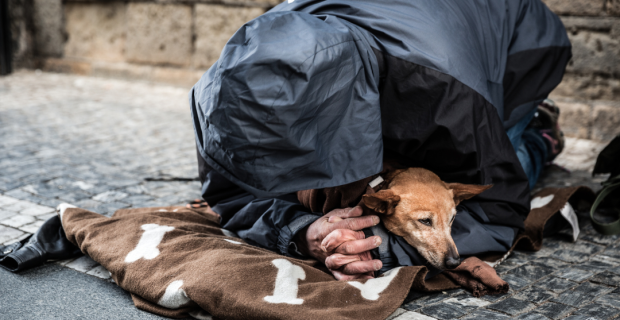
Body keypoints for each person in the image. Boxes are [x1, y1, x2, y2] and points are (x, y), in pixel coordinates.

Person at [189, 0, 571, 280]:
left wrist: (379, 246)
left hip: (518, 41)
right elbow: (230, 195)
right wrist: (302, 233)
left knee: (501, 154)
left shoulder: (452, 97)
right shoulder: (221, 96)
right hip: (401, 52)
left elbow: (499, 206)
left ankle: (541, 134)